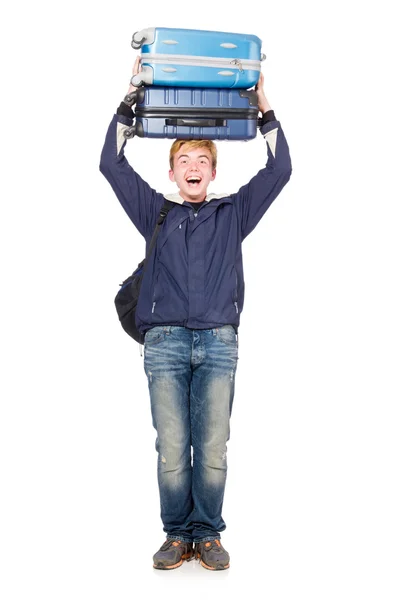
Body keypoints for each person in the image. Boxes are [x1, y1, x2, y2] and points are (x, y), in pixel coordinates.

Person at [100, 56, 292, 571]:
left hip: (218, 342)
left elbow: (281, 169)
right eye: (184, 159)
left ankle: (207, 534)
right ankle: (175, 534)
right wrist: (130, 98)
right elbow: (110, 164)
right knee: (171, 447)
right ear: (172, 170)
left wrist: (263, 106)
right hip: (163, 342)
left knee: (211, 446)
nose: (192, 168)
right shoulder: (154, 212)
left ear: (212, 170)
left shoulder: (233, 214)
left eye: (201, 161)